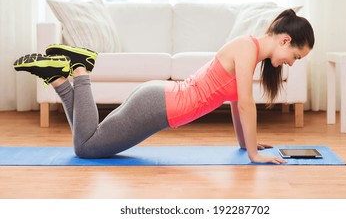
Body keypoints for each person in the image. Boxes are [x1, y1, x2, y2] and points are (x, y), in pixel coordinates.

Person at [14, 9, 314, 164]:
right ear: (285, 39)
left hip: (157, 100)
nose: (292, 62)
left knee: (88, 140)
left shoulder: (248, 50)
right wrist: (253, 156)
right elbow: (247, 104)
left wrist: (246, 144)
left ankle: (57, 77)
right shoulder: (247, 49)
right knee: (86, 148)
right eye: (296, 56)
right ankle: (79, 71)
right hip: (158, 106)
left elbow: (236, 103)